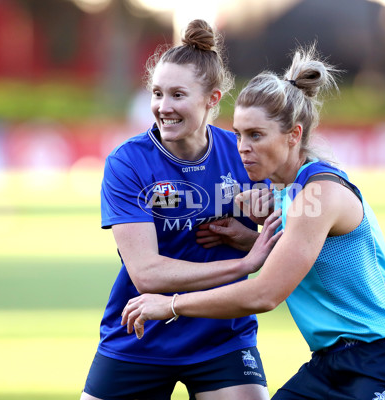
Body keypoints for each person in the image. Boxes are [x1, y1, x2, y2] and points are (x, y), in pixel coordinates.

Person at [121, 45, 385, 400]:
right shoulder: (288, 194)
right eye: (239, 134)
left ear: (294, 135)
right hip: (329, 363)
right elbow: (308, 254)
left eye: (256, 135)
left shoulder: (320, 193)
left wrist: (171, 305)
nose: (242, 147)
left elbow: (264, 293)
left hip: (384, 354)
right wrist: (251, 239)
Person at [81, 19, 275, 400]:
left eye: (177, 95)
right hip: (140, 332)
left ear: (212, 100)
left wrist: (249, 236)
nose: (163, 107)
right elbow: (147, 274)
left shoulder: (244, 153)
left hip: (222, 336)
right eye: (157, 93)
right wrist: (243, 264)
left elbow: (283, 244)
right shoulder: (128, 163)